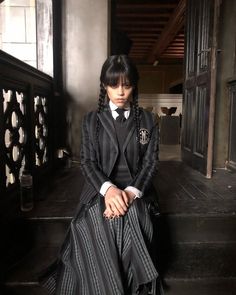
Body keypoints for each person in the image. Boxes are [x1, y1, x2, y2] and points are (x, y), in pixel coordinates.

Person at [41, 55, 163, 295]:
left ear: (134, 86)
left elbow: (150, 164)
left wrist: (128, 193)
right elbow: (87, 163)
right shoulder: (91, 121)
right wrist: (108, 190)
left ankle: (130, 282)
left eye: (126, 85)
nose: (120, 92)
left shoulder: (149, 121)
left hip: (136, 190)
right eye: (113, 85)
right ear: (104, 85)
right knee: (95, 221)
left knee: (134, 218)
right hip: (100, 189)